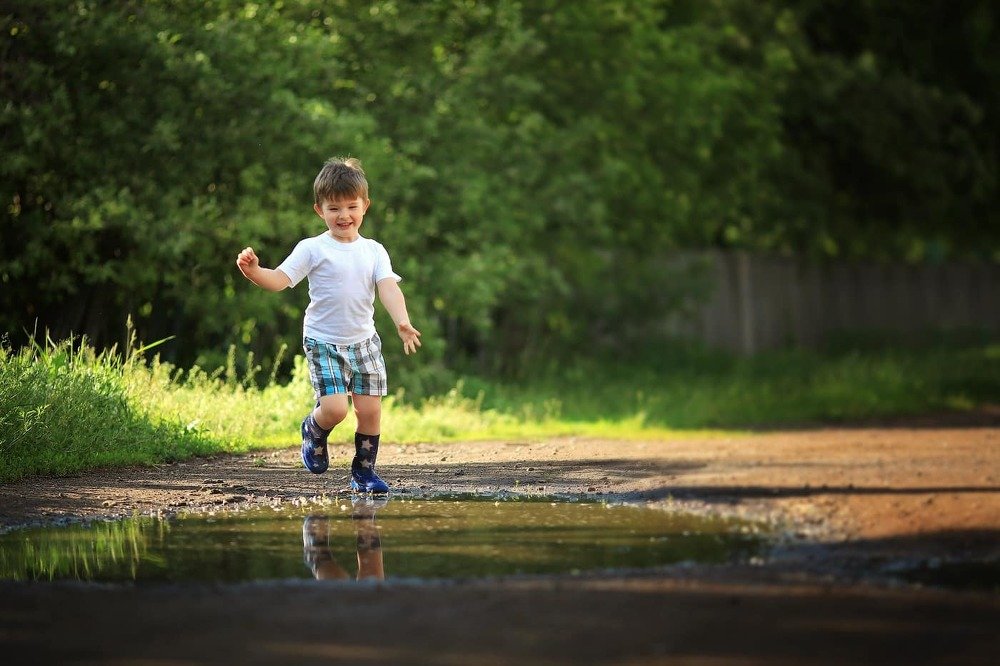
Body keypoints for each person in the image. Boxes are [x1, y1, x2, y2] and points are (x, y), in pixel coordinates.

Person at [235, 157, 420, 494]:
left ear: (366, 206)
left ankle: (363, 473)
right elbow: (279, 279)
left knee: (370, 411)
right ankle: (313, 429)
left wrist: (403, 323)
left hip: (364, 342)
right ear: (319, 210)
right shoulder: (313, 248)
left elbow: (388, 288)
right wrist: (253, 272)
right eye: (334, 208)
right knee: (335, 409)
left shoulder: (374, 251)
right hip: (323, 341)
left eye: (352, 206)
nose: (344, 215)